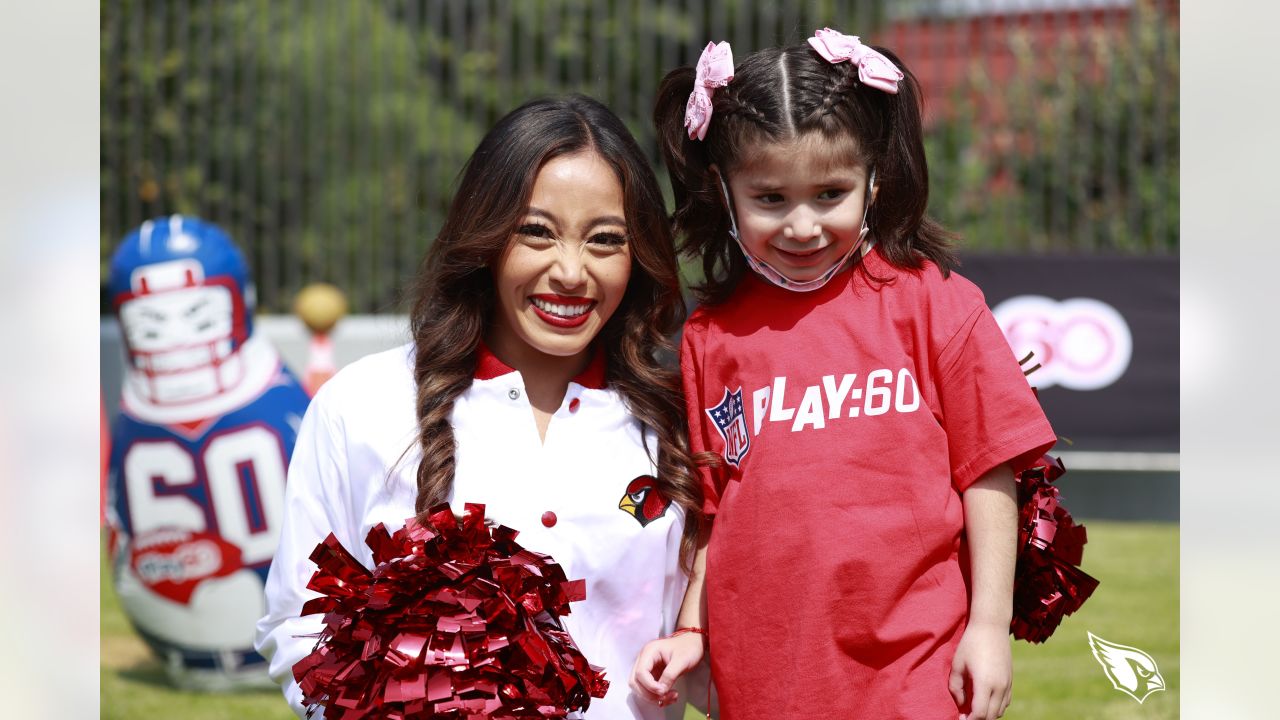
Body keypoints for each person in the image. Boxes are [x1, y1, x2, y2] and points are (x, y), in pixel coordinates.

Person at [629, 30, 1057, 720]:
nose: (803, 224)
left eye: (830, 193)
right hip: (766, 677)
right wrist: (691, 630)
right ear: (724, 190)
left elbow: (987, 474)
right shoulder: (710, 337)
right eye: (770, 198)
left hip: (917, 673)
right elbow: (715, 513)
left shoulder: (936, 303)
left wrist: (986, 628)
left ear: (874, 181)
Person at [254, 95, 702, 720]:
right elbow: (297, 622)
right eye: (536, 233)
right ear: (486, 236)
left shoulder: (679, 426)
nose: (571, 271)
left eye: (605, 240)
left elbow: (713, 646)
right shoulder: (361, 406)